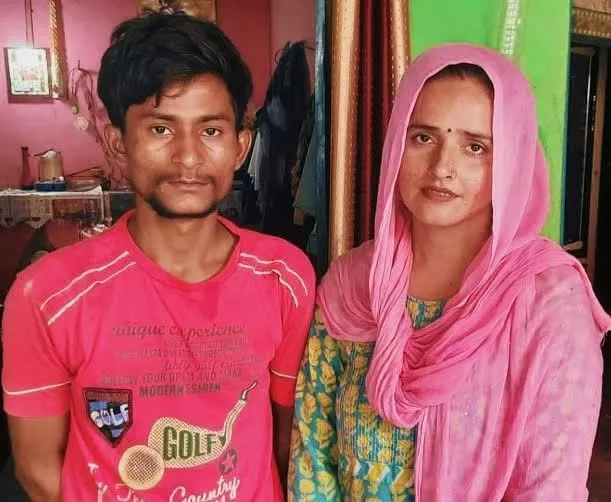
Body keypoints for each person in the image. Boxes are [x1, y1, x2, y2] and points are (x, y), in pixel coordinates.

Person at [2, 13, 315, 501]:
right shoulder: (45, 295)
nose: (188, 157)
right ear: (118, 143)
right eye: (161, 129)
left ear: (241, 146)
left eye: (211, 131)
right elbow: (40, 472)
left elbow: (287, 441)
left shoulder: (285, 276)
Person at [289, 44, 610, 501]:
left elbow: (550, 484)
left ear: (513, 161)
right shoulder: (353, 283)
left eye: (475, 147)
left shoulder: (548, 300)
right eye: (423, 138)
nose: (442, 168)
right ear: (396, 146)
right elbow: (313, 451)